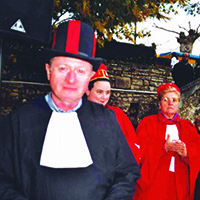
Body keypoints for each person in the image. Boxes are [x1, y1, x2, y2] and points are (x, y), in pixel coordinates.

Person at [0, 20, 140, 200]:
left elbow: (127, 174)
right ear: (49, 71)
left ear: (90, 76)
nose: (71, 79)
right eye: (63, 68)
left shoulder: (107, 120)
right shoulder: (18, 120)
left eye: (80, 71)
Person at [133, 83, 200, 200]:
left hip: (180, 183)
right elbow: (139, 152)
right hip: (155, 183)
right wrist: (163, 147)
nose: (170, 103)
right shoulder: (147, 123)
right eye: (166, 99)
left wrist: (186, 152)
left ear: (178, 103)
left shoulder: (188, 127)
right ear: (159, 104)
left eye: (174, 100)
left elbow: (197, 151)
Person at [86, 64, 141, 165]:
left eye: (107, 92)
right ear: (87, 91)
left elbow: (134, 147)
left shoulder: (118, 114)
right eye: (99, 92)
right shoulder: (77, 115)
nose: (104, 97)